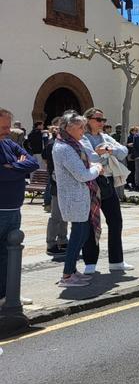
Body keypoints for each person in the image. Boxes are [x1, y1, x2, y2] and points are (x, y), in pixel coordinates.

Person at [79, 108, 133, 273]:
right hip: (91, 182)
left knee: (116, 221)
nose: (102, 123)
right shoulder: (84, 138)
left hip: (107, 182)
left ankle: (116, 261)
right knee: (92, 223)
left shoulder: (106, 137)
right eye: (98, 119)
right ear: (88, 120)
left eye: (103, 120)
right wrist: (104, 154)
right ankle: (90, 263)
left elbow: (123, 152)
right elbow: (91, 157)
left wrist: (108, 151)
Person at [52, 113, 101, 288]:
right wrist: (97, 168)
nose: (83, 130)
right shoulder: (64, 148)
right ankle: (67, 275)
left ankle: (71, 270)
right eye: (80, 127)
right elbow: (82, 174)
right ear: (68, 128)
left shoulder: (70, 144)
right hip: (74, 198)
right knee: (78, 235)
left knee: (82, 234)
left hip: (80, 197)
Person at [1, 108, 40, 299]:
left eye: (8, 126)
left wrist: (14, 166)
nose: (7, 131)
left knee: (9, 255)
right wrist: (18, 168)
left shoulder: (8, 143)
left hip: (14, 209)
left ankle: (9, 293)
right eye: (3, 127)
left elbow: (33, 163)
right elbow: (2, 174)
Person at [43, 119, 68, 256]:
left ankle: (63, 240)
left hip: (64, 185)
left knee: (64, 216)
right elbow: (47, 161)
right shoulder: (53, 144)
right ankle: (51, 243)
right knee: (56, 216)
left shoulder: (63, 143)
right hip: (57, 184)